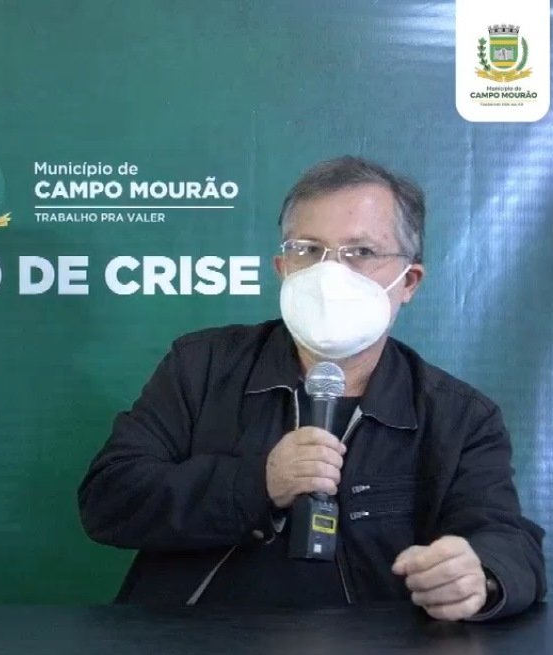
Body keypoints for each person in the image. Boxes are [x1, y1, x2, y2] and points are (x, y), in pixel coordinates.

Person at [78, 155, 545, 621]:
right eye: (308, 250)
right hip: (190, 651)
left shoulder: (459, 417)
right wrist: (256, 483)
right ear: (283, 267)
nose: (330, 274)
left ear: (409, 282)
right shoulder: (201, 366)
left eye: (361, 252)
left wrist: (481, 574)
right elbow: (109, 500)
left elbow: (509, 543)